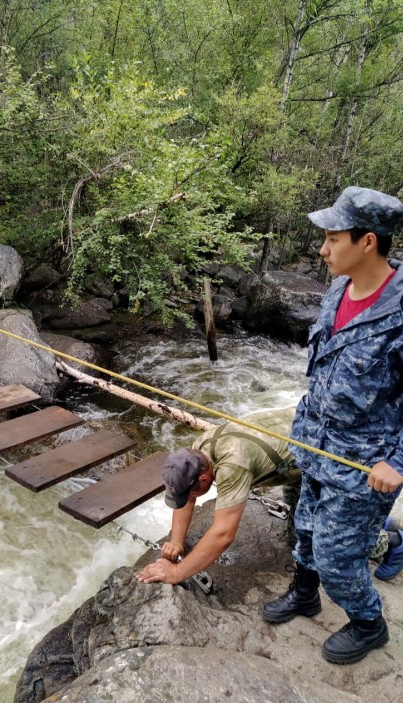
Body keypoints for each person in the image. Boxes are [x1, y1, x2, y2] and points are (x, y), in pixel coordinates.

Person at [262, 186, 403, 666]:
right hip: (315, 445)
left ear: (368, 242)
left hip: (364, 465)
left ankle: (370, 624)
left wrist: (397, 462)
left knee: (339, 560)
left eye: (332, 238)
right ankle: (304, 595)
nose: (322, 250)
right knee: (304, 528)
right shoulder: (339, 288)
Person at [135, 407, 402, 588]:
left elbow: (223, 534)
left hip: (326, 452)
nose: (187, 498)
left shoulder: (232, 464)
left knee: (329, 541)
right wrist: (176, 541)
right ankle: (378, 524)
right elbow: (189, 498)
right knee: (299, 536)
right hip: (300, 446)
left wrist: (177, 573)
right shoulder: (196, 453)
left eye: (189, 491)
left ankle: (392, 542)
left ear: (204, 480)